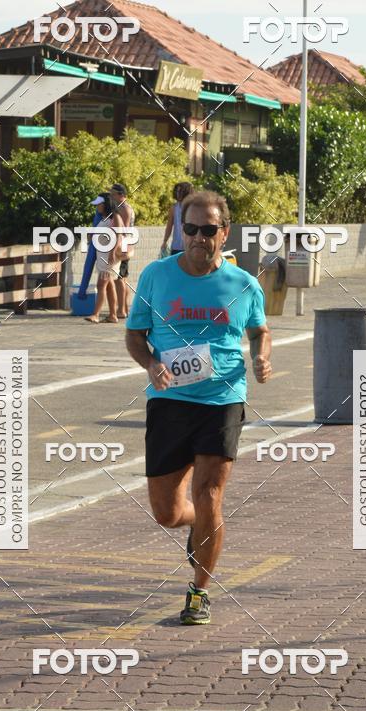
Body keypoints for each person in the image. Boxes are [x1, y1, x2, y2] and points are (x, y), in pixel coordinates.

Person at [125, 190, 272, 625]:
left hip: (222, 398)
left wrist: (262, 354)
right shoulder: (156, 276)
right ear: (181, 231)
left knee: (209, 495)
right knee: (167, 512)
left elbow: (260, 330)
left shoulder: (243, 284)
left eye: (209, 230)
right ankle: (198, 529)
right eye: (191, 229)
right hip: (169, 399)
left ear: (224, 233)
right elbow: (135, 335)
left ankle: (199, 590)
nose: (199, 238)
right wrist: (151, 363)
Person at [85, 194, 123, 324]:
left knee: (101, 284)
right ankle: (113, 315)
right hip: (102, 255)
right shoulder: (102, 218)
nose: (97, 206)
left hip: (109, 256)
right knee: (108, 285)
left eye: (99, 204)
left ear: (106, 204)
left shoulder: (115, 217)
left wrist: (112, 252)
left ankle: (96, 314)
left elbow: (118, 236)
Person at [110, 183, 135, 319]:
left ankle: (122, 309)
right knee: (123, 278)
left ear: (121, 195)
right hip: (125, 245)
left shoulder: (124, 208)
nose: (111, 197)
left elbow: (123, 230)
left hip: (123, 246)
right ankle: (123, 308)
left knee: (120, 278)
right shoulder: (122, 207)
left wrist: (116, 247)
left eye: (113, 194)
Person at [161, 182, 194, 256]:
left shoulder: (193, 208)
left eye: (180, 191)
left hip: (190, 246)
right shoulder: (174, 208)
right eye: (177, 191)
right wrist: (165, 241)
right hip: (176, 247)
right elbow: (169, 226)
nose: (178, 193)